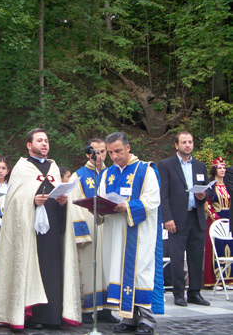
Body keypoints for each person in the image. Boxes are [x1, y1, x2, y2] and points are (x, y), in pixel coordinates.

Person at [0, 128, 81, 329]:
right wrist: (32, 200)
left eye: (46, 140)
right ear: (29, 145)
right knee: (32, 269)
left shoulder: (54, 168)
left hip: (52, 230)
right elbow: (13, 202)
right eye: (39, 140)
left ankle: (53, 316)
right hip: (29, 233)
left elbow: (60, 193)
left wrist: (63, 201)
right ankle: (32, 315)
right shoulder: (22, 168)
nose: (44, 144)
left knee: (52, 270)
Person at [100, 132, 162, 335]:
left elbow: (152, 200)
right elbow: (100, 197)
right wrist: (98, 208)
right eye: (110, 153)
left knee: (139, 272)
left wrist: (126, 206)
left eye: (118, 151)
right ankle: (128, 317)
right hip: (114, 231)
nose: (114, 156)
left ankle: (146, 318)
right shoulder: (108, 173)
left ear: (128, 147)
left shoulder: (145, 169)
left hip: (138, 231)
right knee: (117, 270)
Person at [67, 138, 119, 324]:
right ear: (88, 154)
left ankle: (107, 309)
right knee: (90, 269)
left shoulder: (112, 174)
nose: (100, 155)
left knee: (108, 268)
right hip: (90, 227)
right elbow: (73, 205)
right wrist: (81, 232)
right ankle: (88, 309)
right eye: (96, 152)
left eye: (103, 151)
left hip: (110, 226)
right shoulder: (78, 176)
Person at [158, 131, 211, 307]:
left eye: (190, 142)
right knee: (177, 257)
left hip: (196, 216)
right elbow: (163, 194)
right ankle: (178, 293)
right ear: (176, 145)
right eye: (184, 142)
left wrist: (204, 194)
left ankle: (195, 292)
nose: (187, 145)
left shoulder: (200, 165)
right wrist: (167, 218)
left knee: (196, 256)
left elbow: (207, 188)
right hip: (177, 218)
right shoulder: (166, 165)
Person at [204, 157, 231, 286]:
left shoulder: (228, 185)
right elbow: (207, 204)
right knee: (215, 248)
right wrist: (217, 219)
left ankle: (229, 278)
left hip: (229, 219)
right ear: (214, 169)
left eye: (224, 167)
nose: (222, 170)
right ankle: (215, 280)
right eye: (220, 167)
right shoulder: (211, 186)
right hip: (215, 220)